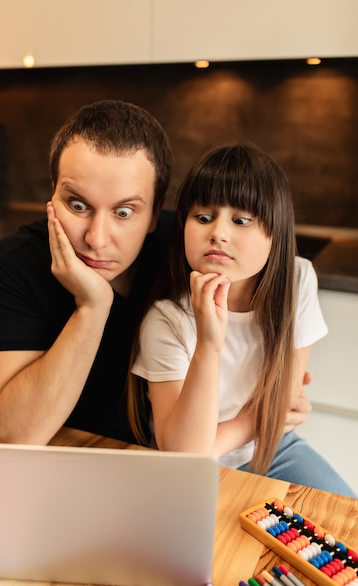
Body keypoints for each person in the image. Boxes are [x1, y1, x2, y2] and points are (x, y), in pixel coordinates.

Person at [129, 143, 356, 496]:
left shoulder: (297, 281)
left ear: (275, 231)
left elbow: (284, 397)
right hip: (188, 468)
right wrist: (208, 344)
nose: (218, 232)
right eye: (203, 217)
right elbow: (184, 456)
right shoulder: (167, 320)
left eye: (240, 220)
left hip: (271, 448)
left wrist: (251, 427)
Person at [0, 99, 174, 445]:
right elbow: (17, 431)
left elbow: (283, 272)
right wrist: (93, 307)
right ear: (52, 194)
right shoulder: (13, 264)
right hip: (74, 451)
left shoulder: (185, 246)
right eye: (78, 205)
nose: (96, 238)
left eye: (124, 212)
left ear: (155, 215)